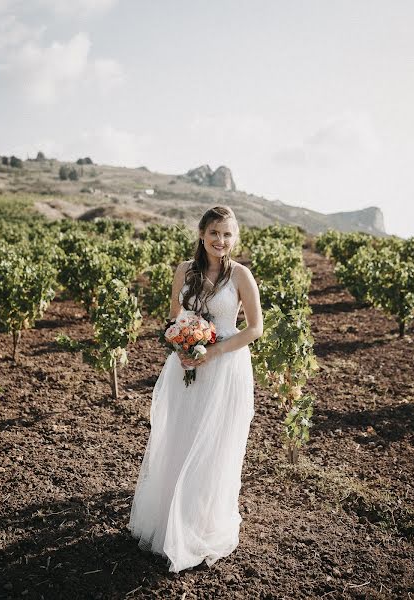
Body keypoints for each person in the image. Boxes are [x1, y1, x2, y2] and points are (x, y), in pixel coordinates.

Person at [127, 206, 263, 573]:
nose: (221, 241)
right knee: (180, 436)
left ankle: (199, 525)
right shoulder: (183, 271)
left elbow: (254, 329)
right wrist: (183, 344)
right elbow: (175, 316)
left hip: (225, 368)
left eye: (228, 235)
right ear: (202, 233)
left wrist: (213, 350)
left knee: (214, 445)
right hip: (186, 363)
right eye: (215, 233)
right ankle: (168, 519)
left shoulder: (241, 276)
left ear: (236, 239)